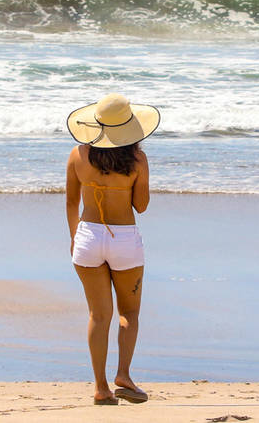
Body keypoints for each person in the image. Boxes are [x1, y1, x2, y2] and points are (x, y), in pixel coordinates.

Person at [65, 93, 160, 405]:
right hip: (124, 239)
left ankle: (101, 388)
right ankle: (124, 375)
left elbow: (70, 201)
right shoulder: (137, 160)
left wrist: (73, 237)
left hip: (87, 236)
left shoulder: (77, 155)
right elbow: (141, 206)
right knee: (129, 312)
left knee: (98, 314)